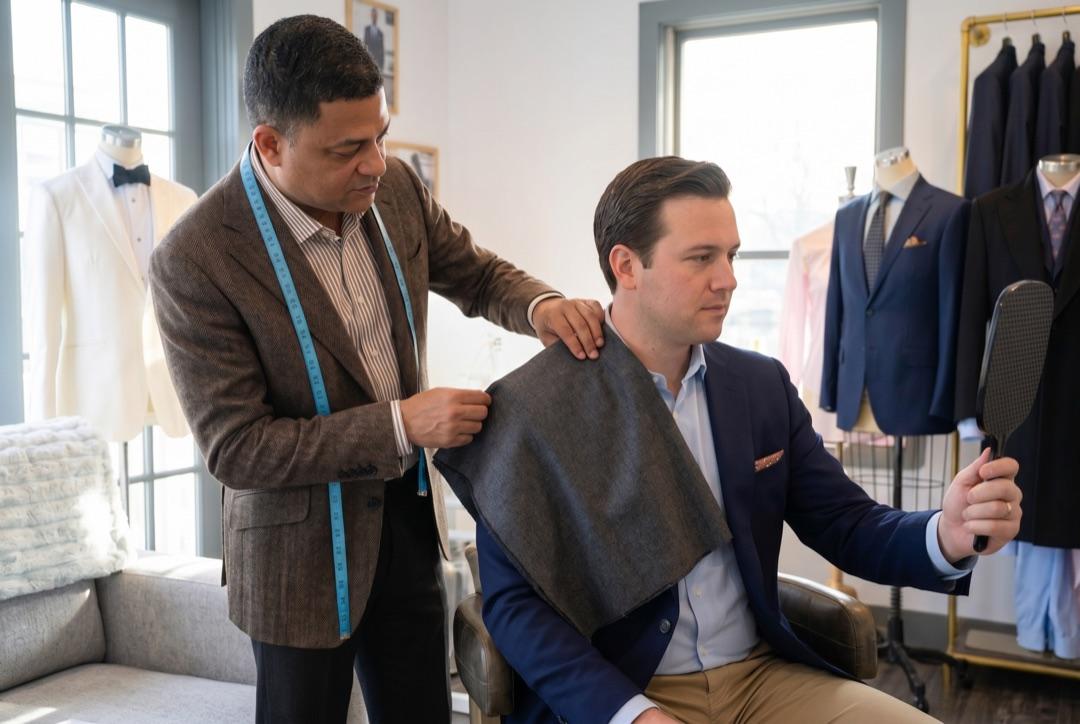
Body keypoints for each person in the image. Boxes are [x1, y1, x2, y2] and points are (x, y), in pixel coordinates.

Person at [148, 14, 604, 724]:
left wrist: (540, 306)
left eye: (382, 135)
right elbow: (238, 449)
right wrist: (400, 423)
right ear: (271, 144)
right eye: (349, 148)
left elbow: (475, 273)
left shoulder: (391, 191)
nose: (375, 161)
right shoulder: (195, 258)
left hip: (406, 527)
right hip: (295, 556)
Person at [466, 157, 1022, 723]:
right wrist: (631, 714)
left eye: (730, 255)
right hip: (626, 691)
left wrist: (946, 534)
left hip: (762, 678)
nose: (728, 278)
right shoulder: (536, 407)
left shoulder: (760, 386)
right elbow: (516, 607)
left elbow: (846, 522)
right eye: (701, 258)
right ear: (627, 266)